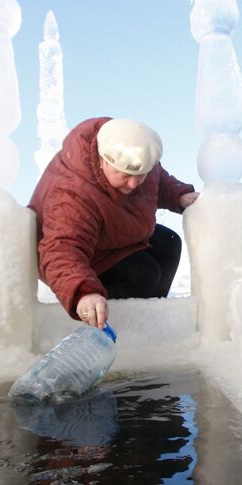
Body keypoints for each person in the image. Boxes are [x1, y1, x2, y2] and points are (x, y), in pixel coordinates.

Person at [29, 117, 199, 327]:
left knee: (168, 243)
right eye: (126, 175)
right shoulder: (72, 194)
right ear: (103, 161)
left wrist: (179, 195)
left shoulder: (136, 156)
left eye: (140, 175)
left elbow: (158, 180)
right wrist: (83, 292)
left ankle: (148, 320)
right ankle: (108, 323)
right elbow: (62, 249)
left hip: (108, 237)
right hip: (78, 256)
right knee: (143, 274)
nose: (134, 183)